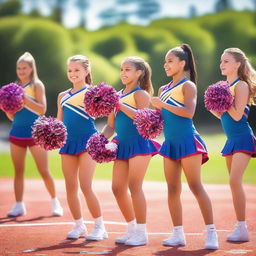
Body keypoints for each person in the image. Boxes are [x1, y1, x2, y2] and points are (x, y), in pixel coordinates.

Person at [151, 44, 218, 249]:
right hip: (170, 143)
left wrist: (162, 105)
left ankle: (211, 233)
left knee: (195, 186)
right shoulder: (163, 89)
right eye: (165, 61)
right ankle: (178, 233)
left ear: (182, 63)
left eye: (170, 61)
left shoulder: (188, 86)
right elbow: (162, 119)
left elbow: (188, 112)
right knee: (172, 189)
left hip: (188, 141)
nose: (166, 65)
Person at [101, 56, 159, 246]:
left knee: (135, 187)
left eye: (128, 69)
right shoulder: (116, 95)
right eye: (122, 69)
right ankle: (132, 229)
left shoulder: (140, 93)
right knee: (117, 188)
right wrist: (100, 139)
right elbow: (111, 126)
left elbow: (144, 119)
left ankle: (142, 233)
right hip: (122, 145)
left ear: (139, 72)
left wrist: (120, 105)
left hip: (139, 144)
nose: (123, 73)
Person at [6, 52, 63, 217]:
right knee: (18, 171)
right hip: (16, 133)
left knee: (43, 170)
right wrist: (7, 109)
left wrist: (23, 98)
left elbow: (41, 109)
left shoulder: (37, 85)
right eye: (19, 68)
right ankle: (18, 205)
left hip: (35, 134)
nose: (21, 71)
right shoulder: (14, 86)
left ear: (31, 69)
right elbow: (11, 116)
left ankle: (55, 202)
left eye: (24, 68)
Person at [57, 55, 107, 240]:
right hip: (68, 143)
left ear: (86, 71)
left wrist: (103, 137)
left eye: (77, 70)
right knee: (70, 186)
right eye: (70, 70)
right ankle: (79, 226)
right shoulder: (62, 96)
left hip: (87, 141)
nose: (73, 73)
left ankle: (100, 226)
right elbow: (59, 123)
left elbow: (110, 115)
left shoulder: (93, 92)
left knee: (86, 186)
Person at [209, 48, 256, 242]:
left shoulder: (241, 85)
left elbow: (237, 115)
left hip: (243, 137)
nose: (222, 64)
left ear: (237, 64)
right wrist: (214, 104)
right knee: (233, 183)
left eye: (226, 61)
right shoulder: (226, 85)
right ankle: (240, 225)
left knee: (234, 181)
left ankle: (242, 228)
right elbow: (222, 115)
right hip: (231, 140)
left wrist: (224, 99)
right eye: (221, 61)